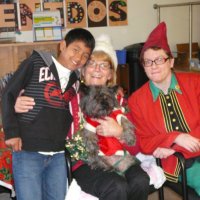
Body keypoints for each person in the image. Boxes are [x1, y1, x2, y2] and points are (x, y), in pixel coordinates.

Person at [14, 34, 150, 200]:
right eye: (91, 64)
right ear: (83, 71)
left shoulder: (120, 100)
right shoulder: (68, 96)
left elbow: (137, 147)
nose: (97, 69)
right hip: (84, 162)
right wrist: (18, 100)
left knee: (141, 180)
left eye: (104, 65)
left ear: (110, 74)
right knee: (116, 186)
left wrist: (119, 132)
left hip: (121, 156)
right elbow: (40, 101)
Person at [1, 28, 95, 200]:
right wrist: (12, 132)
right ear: (62, 45)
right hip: (27, 151)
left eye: (85, 55)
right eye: (76, 49)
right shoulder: (36, 61)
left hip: (58, 154)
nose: (79, 57)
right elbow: (8, 93)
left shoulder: (76, 80)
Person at [128, 22, 200, 195]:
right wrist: (176, 137)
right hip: (178, 163)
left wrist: (174, 146)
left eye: (159, 59)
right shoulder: (137, 100)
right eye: (148, 62)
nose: (154, 66)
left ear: (171, 61)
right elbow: (144, 142)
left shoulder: (195, 83)